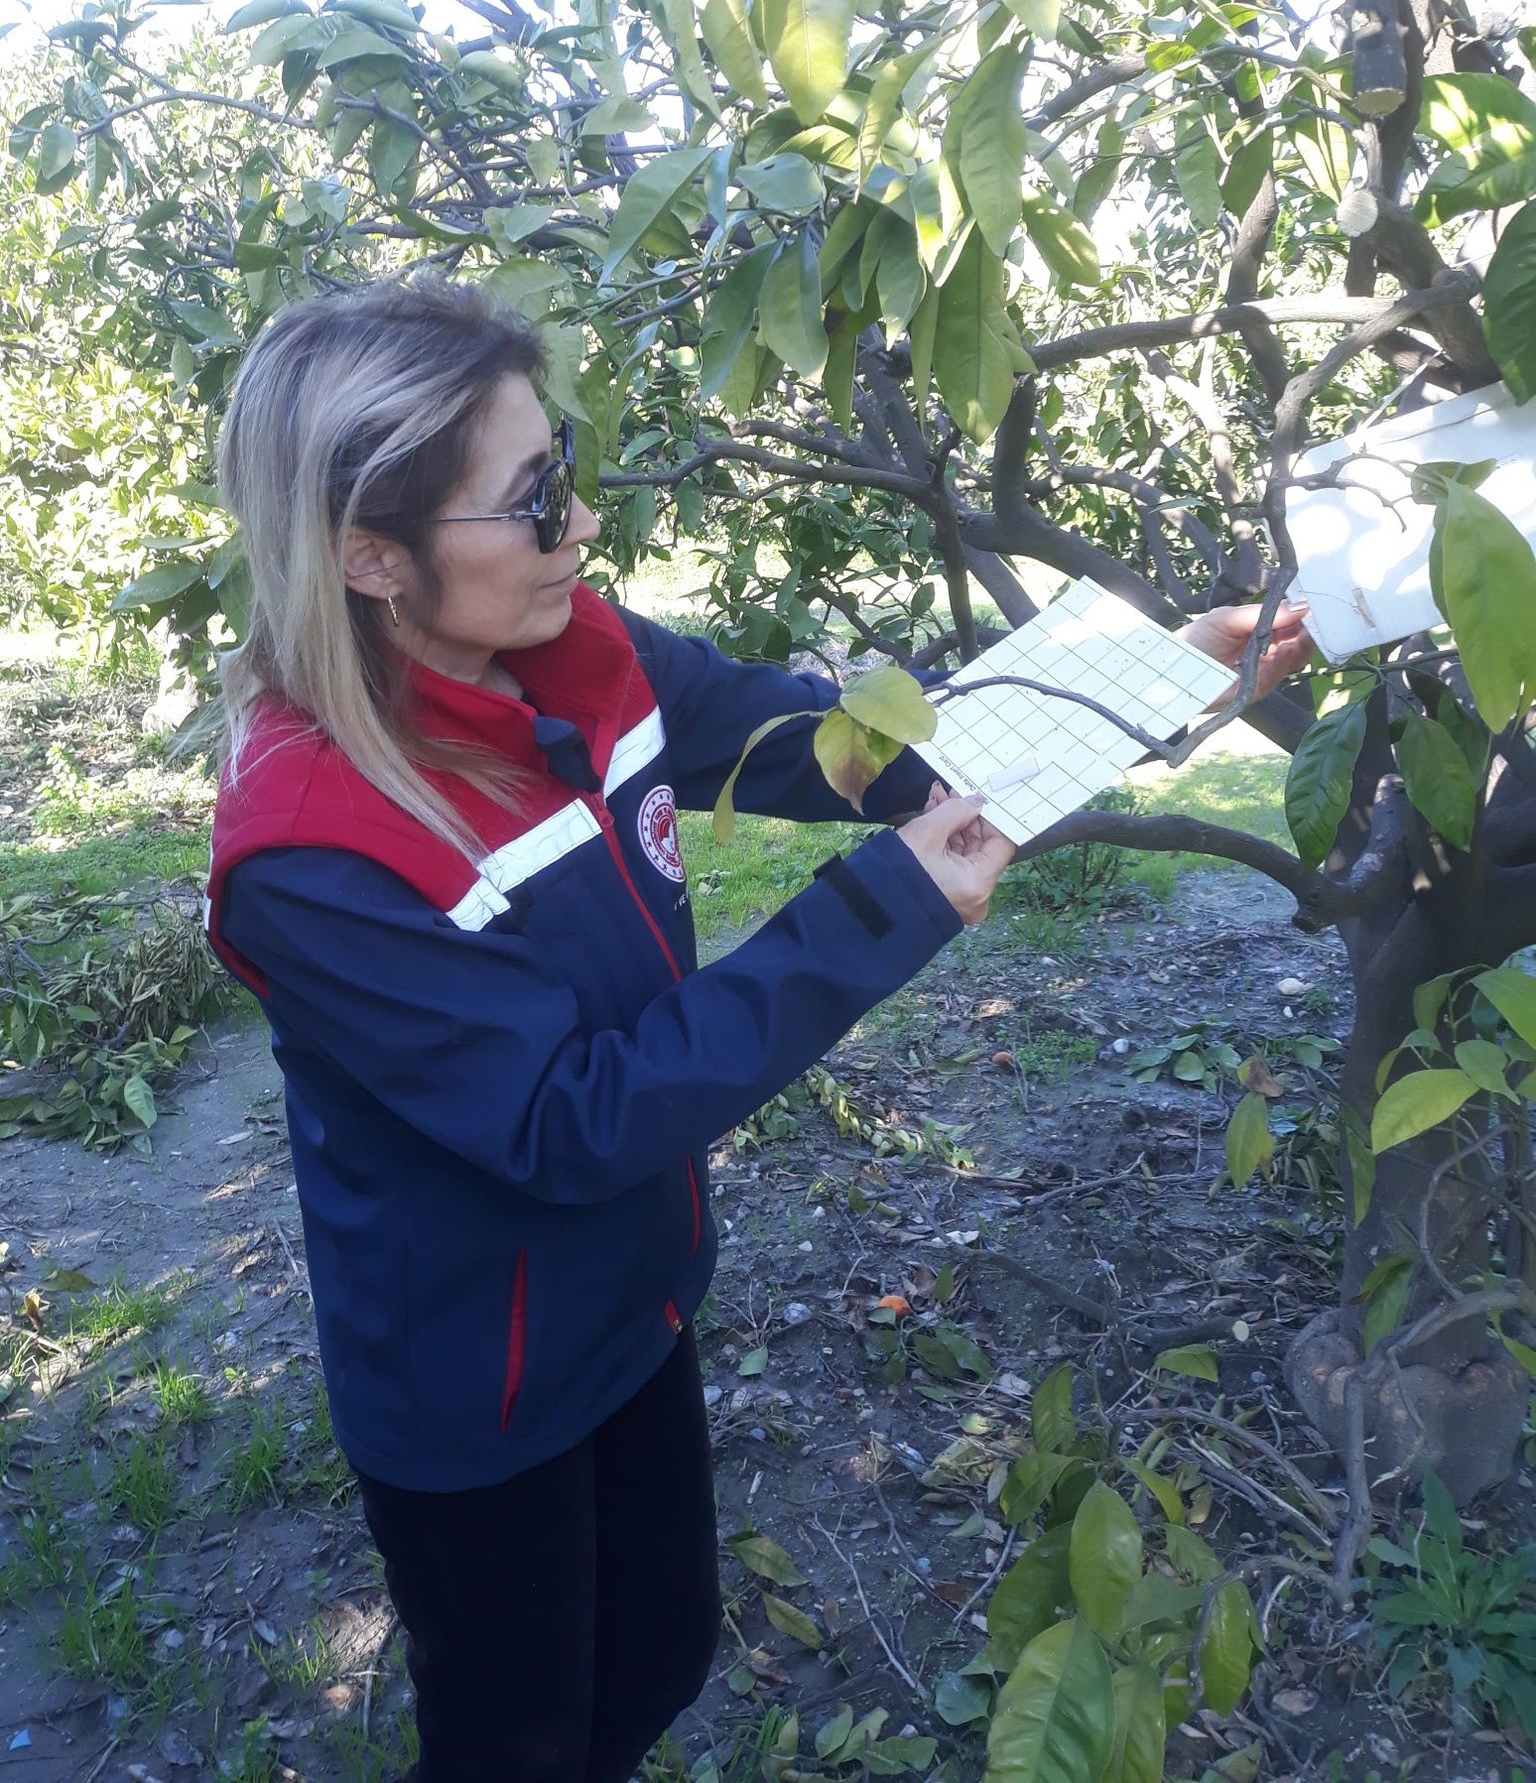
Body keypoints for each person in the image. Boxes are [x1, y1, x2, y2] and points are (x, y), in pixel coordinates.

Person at [203, 275, 1311, 1783]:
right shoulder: (314, 848)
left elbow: (829, 741)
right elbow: (568, 1118)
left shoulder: (579, 652)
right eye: (531, 504)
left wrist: (1156, 675)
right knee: (520, 1739)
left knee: (658, 1655)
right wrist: (882, 910)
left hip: (635, 1290)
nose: (576, 528)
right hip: (482, 1379)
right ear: (368, 556)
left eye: (566, 478)